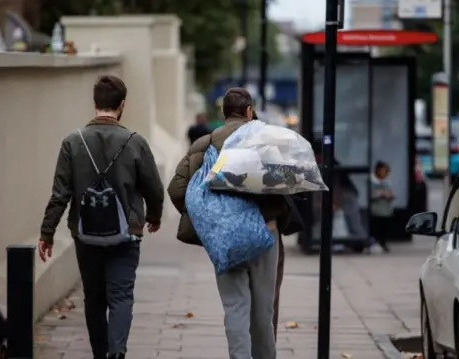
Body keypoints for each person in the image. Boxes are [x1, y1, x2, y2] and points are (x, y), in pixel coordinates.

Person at [38, 75, 165, 359]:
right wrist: (154, 217)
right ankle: (117, 351)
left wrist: (47, 233)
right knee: (121, 296)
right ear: (122, 105)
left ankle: (100, 354)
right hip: (127, 233)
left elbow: (60, 194)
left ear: (94, 103)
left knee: (94, 298)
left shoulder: (72, 143)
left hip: (86, 233)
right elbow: (154, 189)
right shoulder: (135, 143)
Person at [167, 87, 289, 359]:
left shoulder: (205, 144)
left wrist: (206, 220)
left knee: (235, 307)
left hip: (225, 238)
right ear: (248, 111)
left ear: (223, 114)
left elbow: (176, 189)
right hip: (265, 234)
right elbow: (287, 183)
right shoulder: (265, 140)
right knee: (263, 310)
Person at [370, 161, 394, 252]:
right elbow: (371, 195)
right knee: (376, 228)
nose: (385, 173)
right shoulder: (372, 181)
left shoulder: (387, 182)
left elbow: (391, 194)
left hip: (386, 210)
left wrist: (390, 195)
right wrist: (380, 194)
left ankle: (383, 243)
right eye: (383, 170)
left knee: (384, 228)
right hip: (376, 210)